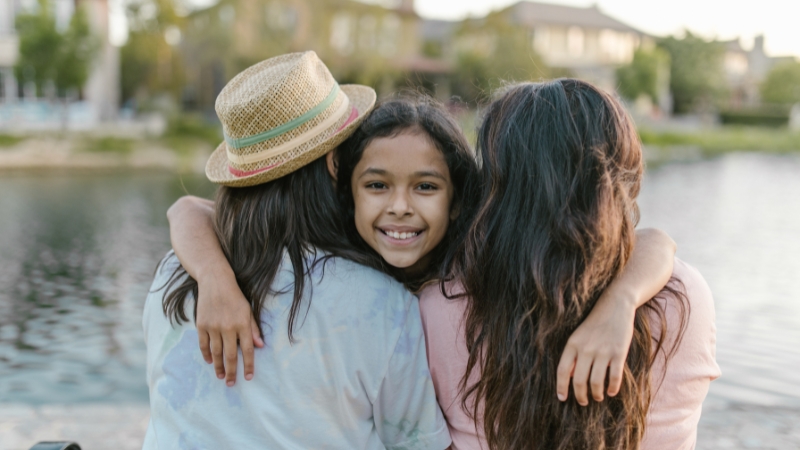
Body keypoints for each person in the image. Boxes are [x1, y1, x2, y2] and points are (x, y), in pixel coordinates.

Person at [170, 91, 679, 408]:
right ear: (343, 190)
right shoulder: (346, 269)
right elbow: (188, 209)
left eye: (426, 188)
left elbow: (656, 240)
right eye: (375, 186)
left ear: (459, 200)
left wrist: (622, 298)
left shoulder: (474, 267)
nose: (399, 208)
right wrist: (215, 277)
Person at [142, 52, 451, 449]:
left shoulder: (173, 271)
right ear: (334, 162)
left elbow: (188, 209)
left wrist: (215, 274)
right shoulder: (381, 304)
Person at [420, 79, 720, 449]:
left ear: (498, 187)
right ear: (618, 181)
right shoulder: (682, 300)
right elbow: (655, 242)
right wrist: (622, 298)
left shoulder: (441, 305)